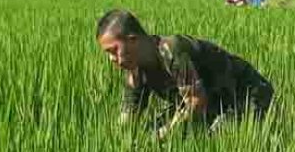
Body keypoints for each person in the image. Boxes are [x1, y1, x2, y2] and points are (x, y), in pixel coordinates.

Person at [96, 9, 274, 138]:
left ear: (133, 41)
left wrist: (163, 135)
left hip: (246, 93)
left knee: (213, 139)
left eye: (113, 51)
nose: (111, 59)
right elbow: (128, 116)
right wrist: (113, 142)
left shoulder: (172, 50)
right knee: (148, 132)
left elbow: (196, 102)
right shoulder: (135, 72)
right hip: (212, 100)